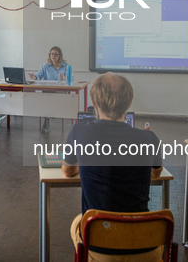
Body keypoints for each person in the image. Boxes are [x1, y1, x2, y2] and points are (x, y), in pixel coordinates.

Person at [62, 73, 163, 261]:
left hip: (101, 248)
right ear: (129, 102)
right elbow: (156, 172)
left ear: (94, 102)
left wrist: (82, 166)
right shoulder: (149, 139)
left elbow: (67, 171)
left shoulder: (80, 131)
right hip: (145, 248)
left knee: (78, 222)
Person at [28, 46, 68, 132]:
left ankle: (47, 119)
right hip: (48, 91)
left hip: (60, 92)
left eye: (55, 54)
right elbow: (38, 76)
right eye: (51, 54)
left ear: (60, 56)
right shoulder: (45, 66)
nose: (53, 56)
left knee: (48, 99)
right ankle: (47, 120)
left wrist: (64, 78)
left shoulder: (65, 66)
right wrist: (33, 77)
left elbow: (71, 79)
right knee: (45, 98)